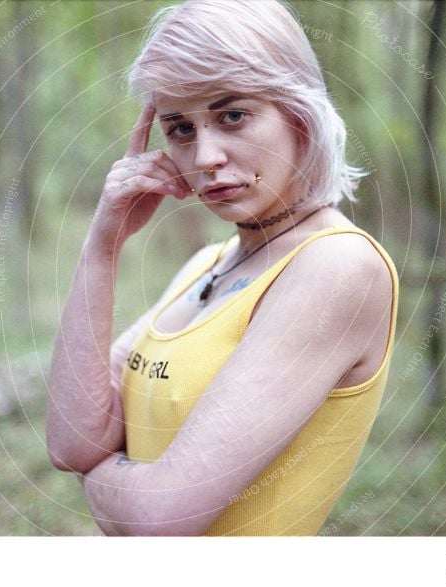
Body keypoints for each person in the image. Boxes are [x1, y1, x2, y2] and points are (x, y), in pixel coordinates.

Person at [45, 0, 398, 536]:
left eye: (232, 115)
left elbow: (158, 517)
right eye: (180, 128)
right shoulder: (204, 265)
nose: (205, 155)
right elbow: (72, 441)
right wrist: (103, 245)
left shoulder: (338, 265)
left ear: (300, 115)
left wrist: (97, 476)